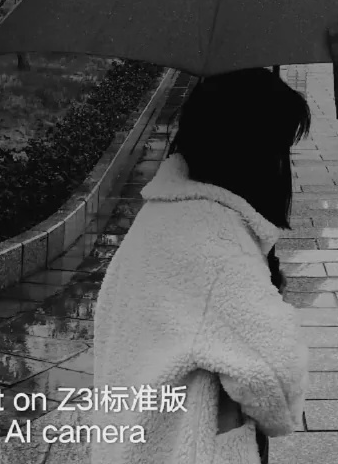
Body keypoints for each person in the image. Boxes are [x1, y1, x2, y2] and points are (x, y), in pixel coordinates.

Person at [92, 68, 312, 464]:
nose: (285, 165)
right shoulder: (218, 242)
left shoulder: (160, 215)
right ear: (253, 153)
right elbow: (278, 378)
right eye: (281, 149)